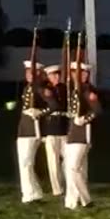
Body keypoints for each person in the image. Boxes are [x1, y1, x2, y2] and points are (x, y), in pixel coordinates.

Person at [63, 62, 101, 210]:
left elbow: (97, 109)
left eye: (85, 73)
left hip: (83, 134)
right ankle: (72, 201)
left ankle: (86, 199)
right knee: (74, 169)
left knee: (73, 168)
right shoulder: (75, 90)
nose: (82, 76)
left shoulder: (87, 90)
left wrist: (85, 119)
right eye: (79, 73)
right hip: (73, 133)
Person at [16, 60, 48, 204]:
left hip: (32, 130)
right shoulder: (27, 88)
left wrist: (40, 112)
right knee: (26, 163)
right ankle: (34, 192)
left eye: (32, 72)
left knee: (25, 163)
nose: (29, 74)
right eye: (28, 72)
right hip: (24, 129)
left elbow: (52, 105)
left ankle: (29, 194)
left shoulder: (40, 88)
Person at [42, 64, 69, 197]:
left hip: (64, 127)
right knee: (53, 161)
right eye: (53, 75)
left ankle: (68, 183)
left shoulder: (65, 89)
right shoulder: (46, 89)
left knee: (68, 159)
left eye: (58, 74)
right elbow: (51, 106)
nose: (57, 77)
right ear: (48, 77)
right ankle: (57, 188)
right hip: (51, 128)